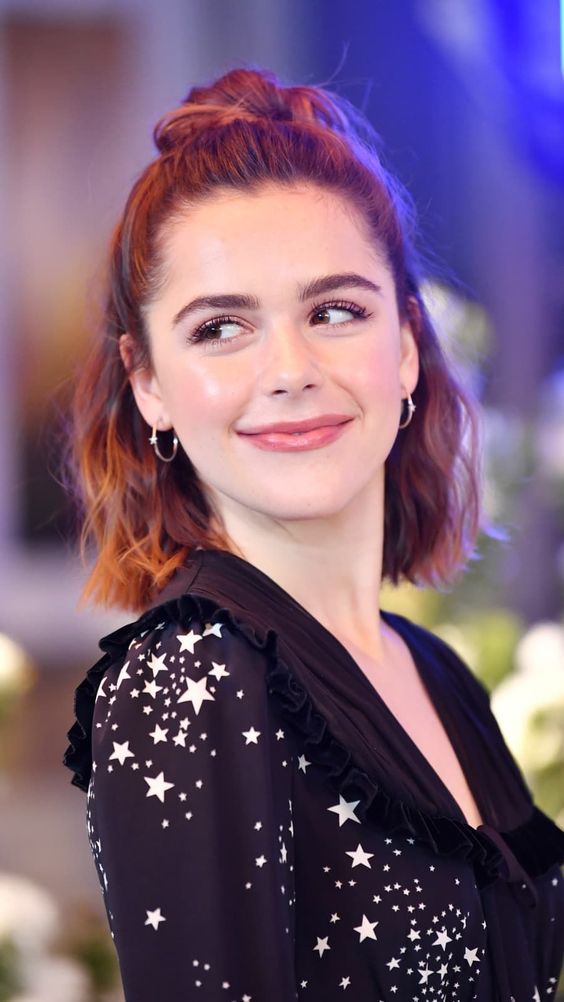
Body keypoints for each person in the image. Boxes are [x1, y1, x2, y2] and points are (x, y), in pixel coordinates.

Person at [63, 66, 564, 1001]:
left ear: (405, 346)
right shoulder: (191, 682)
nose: (290, 369)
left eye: (335, 311)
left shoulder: (432, 670)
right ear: (149, 384)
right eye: (221, 328)